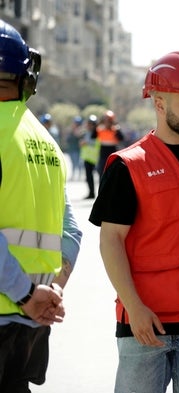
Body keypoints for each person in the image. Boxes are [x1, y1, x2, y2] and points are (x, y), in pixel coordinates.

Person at [89, 51, 179, 393]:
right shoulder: (128, 165)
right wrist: (134, 307)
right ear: (159, 103)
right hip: (147, 322)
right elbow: (110, 240)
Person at [0, 19, 82, 392]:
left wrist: (28, 295)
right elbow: (70, 230)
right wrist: (49, 294)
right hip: (32, 325)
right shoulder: (44, 139)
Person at [96, 109, 124, 176]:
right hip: (103, 151)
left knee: (113, 170)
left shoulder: (116, 129)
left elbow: (121, 138)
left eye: (109, 120)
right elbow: (93, 135)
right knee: (101, 171)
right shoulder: (100, 129)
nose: (107, 122)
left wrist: (117, 129)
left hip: (113, 150)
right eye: (106, 120)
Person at [80, 114, 99, 199]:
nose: (89, 125)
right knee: (88, 177)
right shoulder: (87, 132)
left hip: (95, 158)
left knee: (99, 177)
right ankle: (91, 193)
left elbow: (96, 143)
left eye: (91, 124)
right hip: (88, 157)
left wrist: (86, 143)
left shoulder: (97, 133)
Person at [66, 115, 84, 181]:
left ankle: (80, 176)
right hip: (72, 149)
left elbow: (82, 140)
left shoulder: (82, 131)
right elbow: (68, 139)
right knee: (73, 163)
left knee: (79, 163)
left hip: (79, 150)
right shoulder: (70, 131)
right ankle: (73, 175)